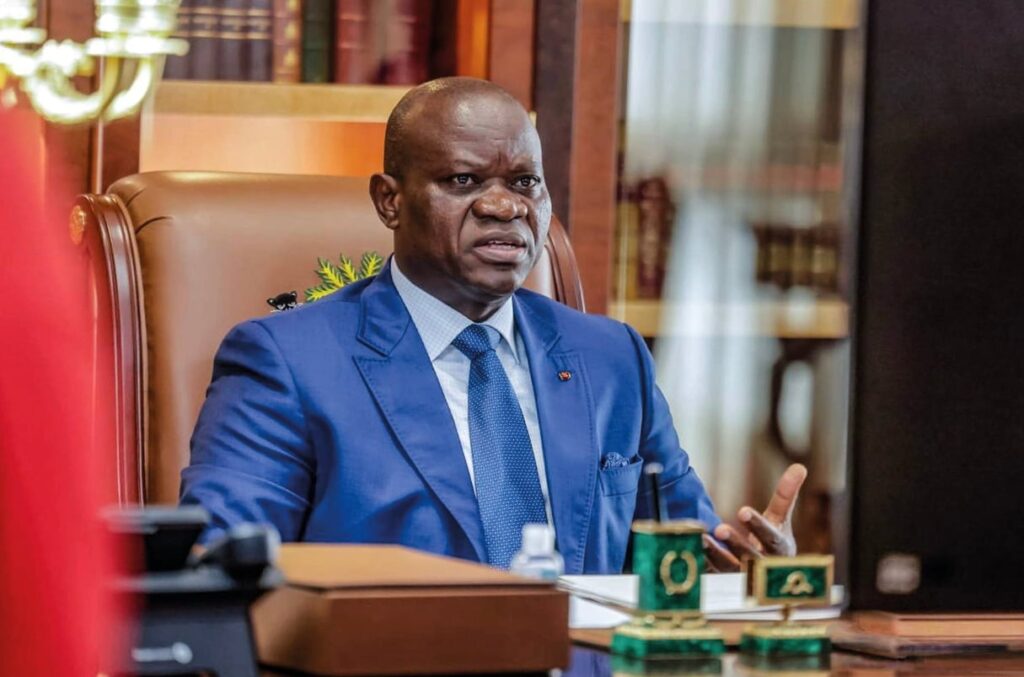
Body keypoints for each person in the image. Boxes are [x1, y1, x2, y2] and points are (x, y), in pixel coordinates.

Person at [180, 77, 807, 574]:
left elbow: (686, 561)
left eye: (525, 182)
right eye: (464, 180)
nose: (505, 206)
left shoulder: (610, 357)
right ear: (389, 200)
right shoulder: (288, 362)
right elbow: (221, 567)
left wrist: (751, 571)